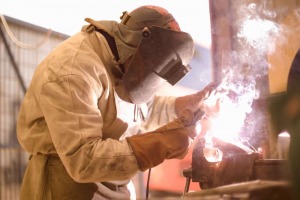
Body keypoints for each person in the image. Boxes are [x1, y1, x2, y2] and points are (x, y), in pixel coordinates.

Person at [17, 5, 219, 200]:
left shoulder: (124, 61)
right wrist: (160, 142)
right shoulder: (72, 72)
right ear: (139, 44)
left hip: (115, 185)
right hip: (66, 189)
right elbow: (84, 160)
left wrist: (187, 103)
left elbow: (143, 109)